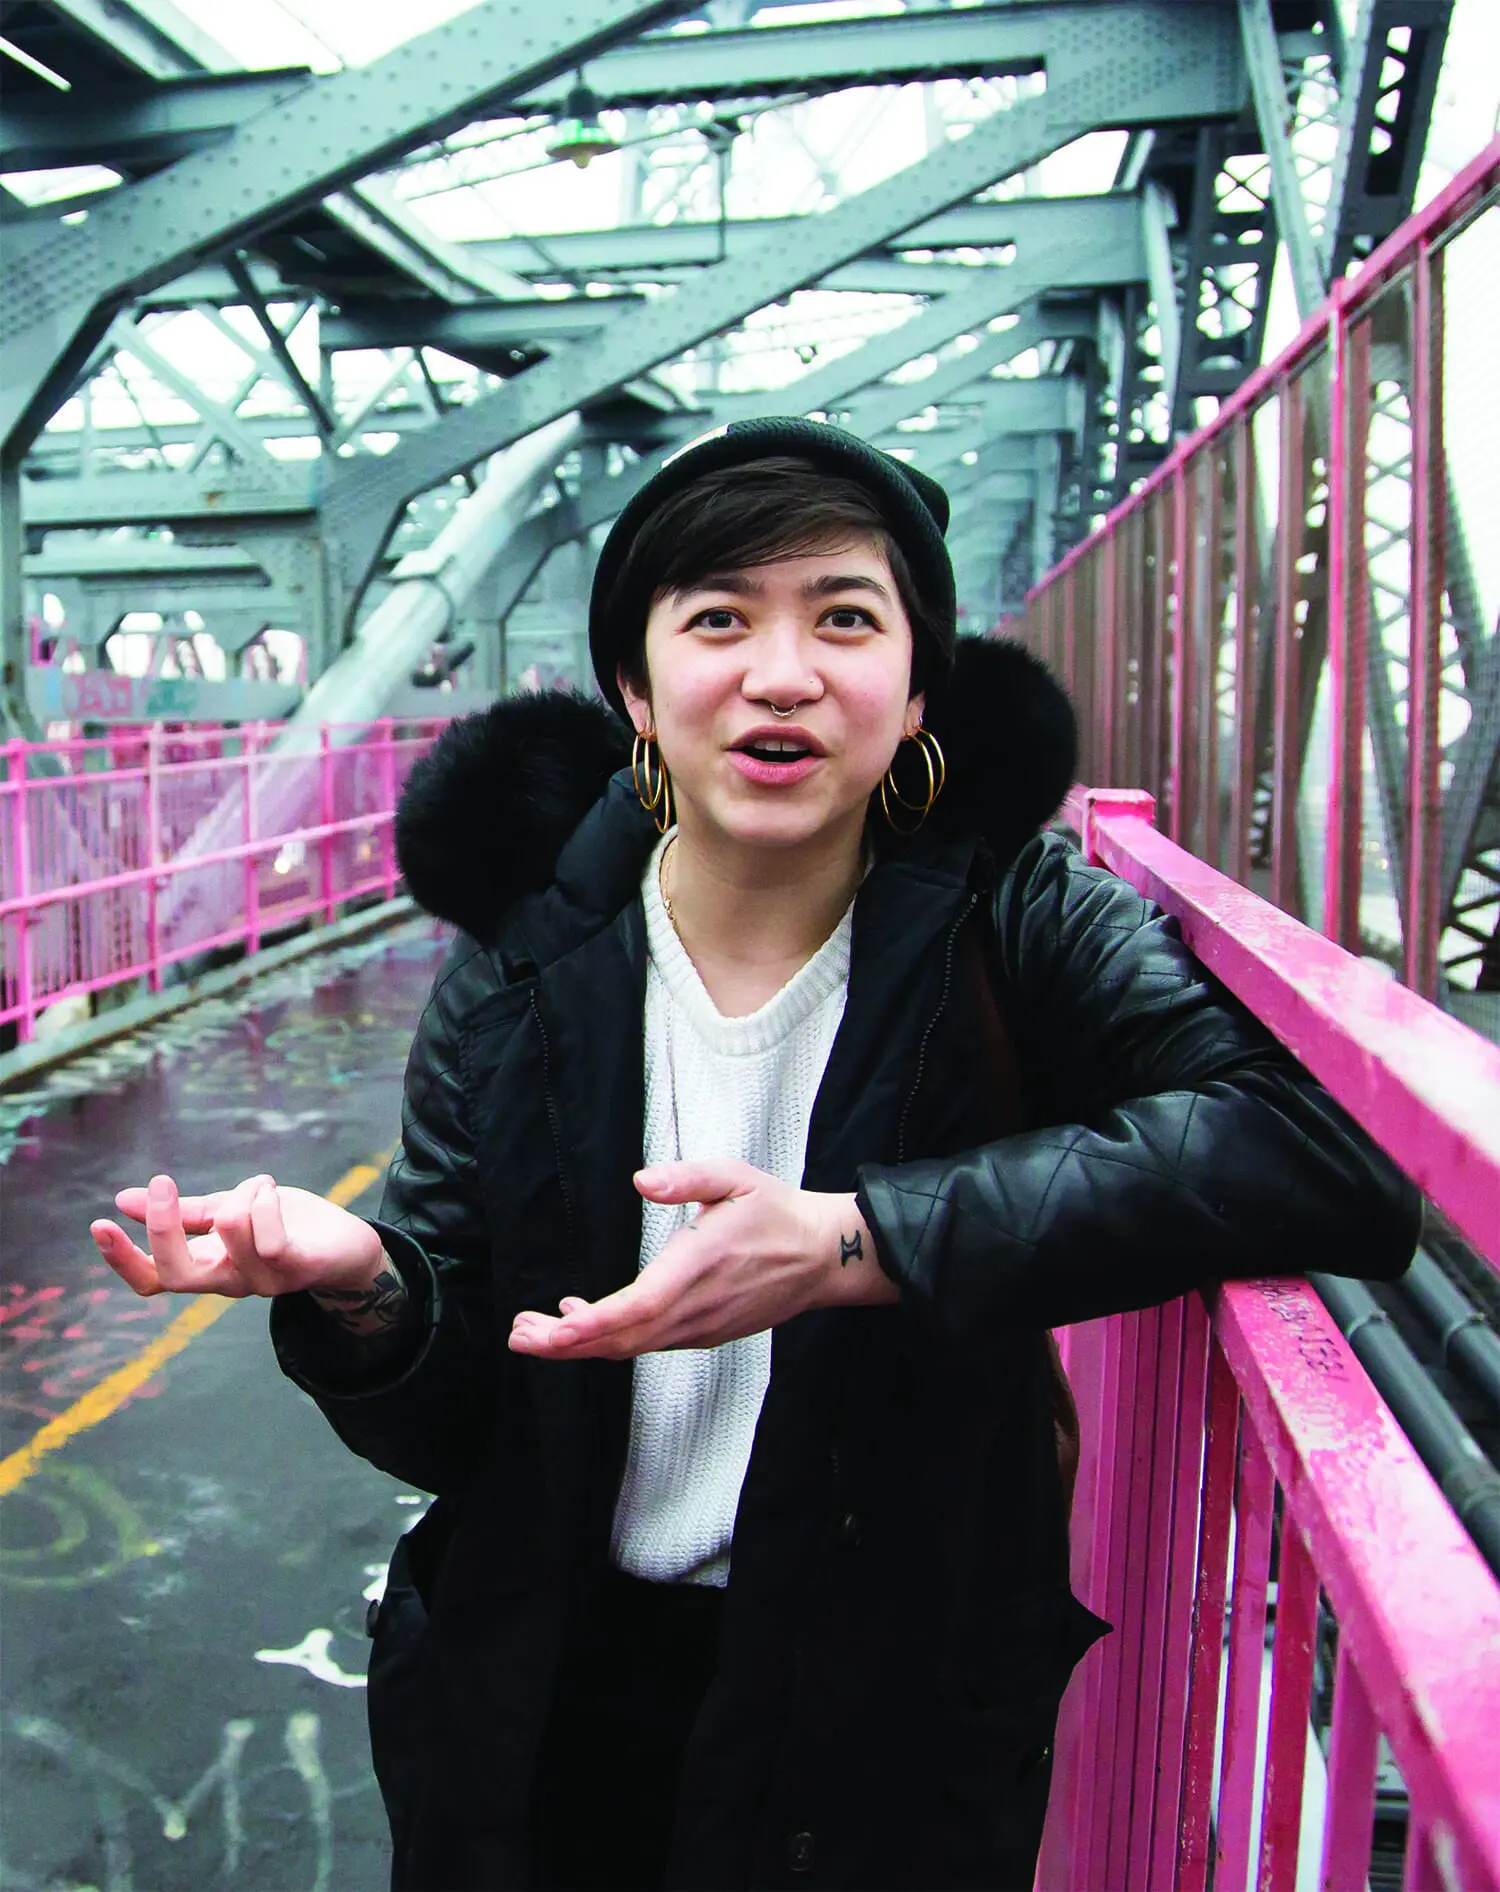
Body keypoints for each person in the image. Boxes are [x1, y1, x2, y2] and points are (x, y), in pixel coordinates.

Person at [90, 418, 1420, 1892]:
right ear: (634, 688)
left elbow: (1320, 1148)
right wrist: (363, 1286)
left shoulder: (1014, 920)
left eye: (844, 618)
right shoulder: (522, 965)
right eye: (719, 618)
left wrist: (863, 1241)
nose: (782, 674)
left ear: (920, 690)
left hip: (879, 1720)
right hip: (538, 1714)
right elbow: (459, 1433)